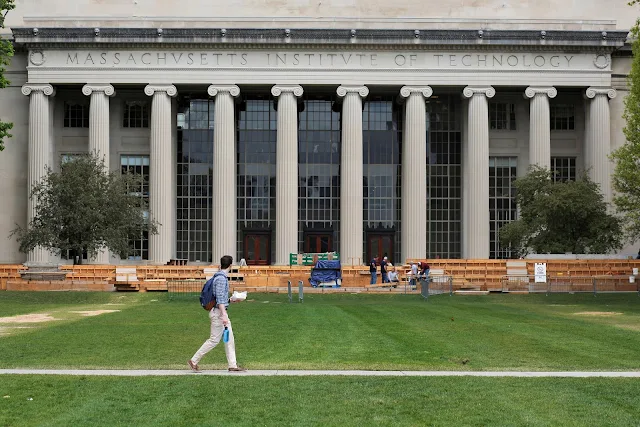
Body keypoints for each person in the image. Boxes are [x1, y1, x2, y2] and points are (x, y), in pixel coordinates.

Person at [188, 255, 246, 373]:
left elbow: (221, 299)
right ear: (230, 265)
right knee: (214, 340)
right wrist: (224, 315)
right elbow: (219, 299)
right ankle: (194, 360)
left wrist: (231, 300)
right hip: (218, 313)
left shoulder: (219, 277)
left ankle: (232, 365)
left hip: (219, 311)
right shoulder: (221, 279)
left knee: (229, 338)